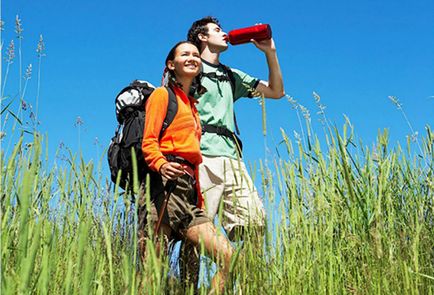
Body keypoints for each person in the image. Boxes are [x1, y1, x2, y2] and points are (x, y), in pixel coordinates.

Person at [180, 16, 285, 283]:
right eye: (217, 30)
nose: (225, 33)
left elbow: (276, 91)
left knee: (254, 226)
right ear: (202, 37)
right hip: (201, 157)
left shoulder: (230, 75)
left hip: (234, 160)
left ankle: (240, 286)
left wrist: (270, 52)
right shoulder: (191, 67)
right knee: (197, 232)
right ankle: (186, 287)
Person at [139, 41, 234, 293]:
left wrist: (198, 197)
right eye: (185, 54)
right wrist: (160, 164)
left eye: (195, 54)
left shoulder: (193, 107)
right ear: (171, 64)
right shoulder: (162, 95)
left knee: (229, 256)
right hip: (164, 188)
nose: (192, 57)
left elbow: (194, 158)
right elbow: (148, 141)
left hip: (189, 192)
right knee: (152, 274)